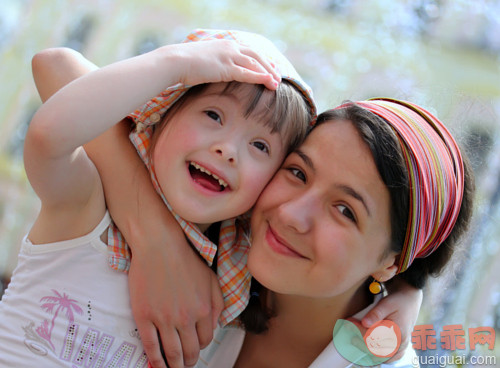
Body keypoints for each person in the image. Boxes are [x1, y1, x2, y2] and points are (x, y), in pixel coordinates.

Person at [15, 30, 425, 367]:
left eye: (261, 147)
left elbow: (354, 268)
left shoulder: (231, 271)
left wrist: (405, 294)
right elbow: (50, 124)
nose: (228, 150)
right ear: (160, 116)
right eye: (213, 115)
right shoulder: (90, 206)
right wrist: (176, 63)